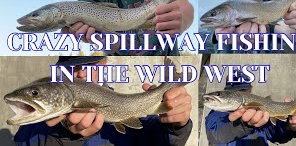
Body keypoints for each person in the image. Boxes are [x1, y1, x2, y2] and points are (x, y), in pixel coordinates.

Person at [14, 56, 193, 146]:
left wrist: (175, 127)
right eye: (72, 64)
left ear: (104, 64)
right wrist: (65, 138)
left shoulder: (138, 127)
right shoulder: (32, 126)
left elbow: (159, 141)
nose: (82, 73)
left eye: (92, 64)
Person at [62, 0, 194, 56]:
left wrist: (181, 19)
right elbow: (111, 42)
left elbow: (183, 6)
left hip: (168, 63)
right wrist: (103, 40)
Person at [205, 70, 296, 145]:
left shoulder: (258, 112)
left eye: (243, 91)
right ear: (227, 91)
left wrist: (290, 126)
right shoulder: (215, 115)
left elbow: (276, 133)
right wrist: (242, 126)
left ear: (250, 90)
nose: (240, 93)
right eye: (235, 91)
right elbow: (215, 136)